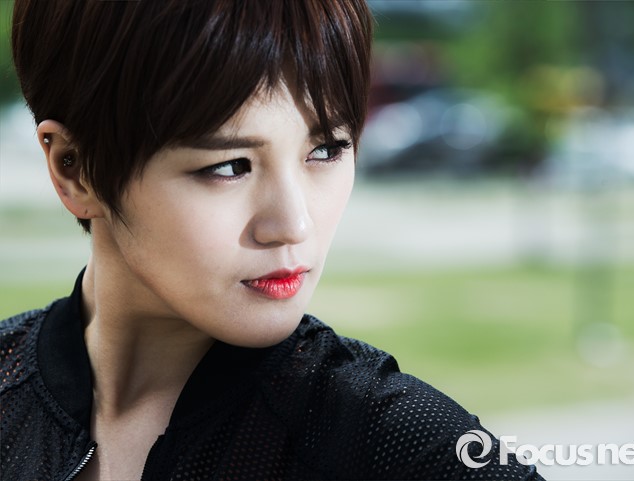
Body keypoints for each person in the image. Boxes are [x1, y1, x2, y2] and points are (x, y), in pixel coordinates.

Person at [1, 1, 544, 480]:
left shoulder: (401, 446)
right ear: (75, 170)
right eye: (229, 166)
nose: (293, 225)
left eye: (327, 150)